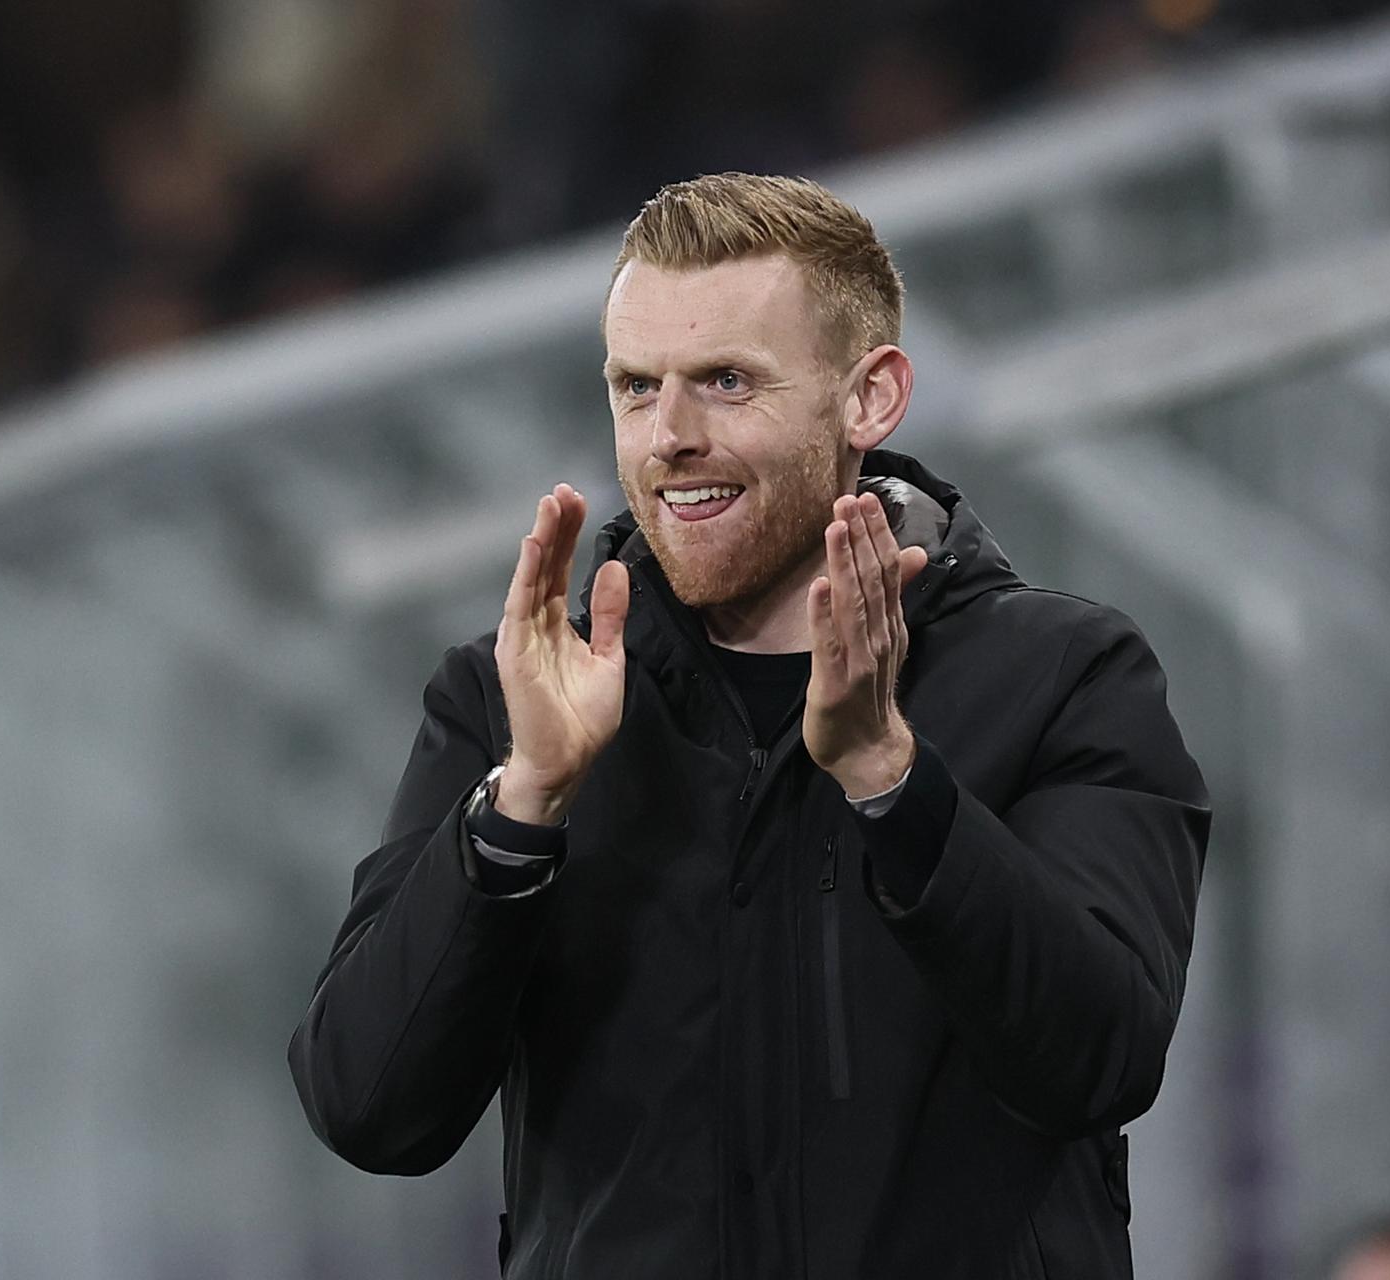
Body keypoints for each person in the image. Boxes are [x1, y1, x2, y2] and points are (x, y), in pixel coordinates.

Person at [288, 172, 1211, 1278]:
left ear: (870, 398)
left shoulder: (1066, 675)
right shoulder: (507, 703)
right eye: (637, 387)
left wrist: (892, 781)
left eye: (726, 381)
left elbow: (1099, 1060)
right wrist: (522, 807)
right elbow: (368, 1108)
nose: (669, 436)